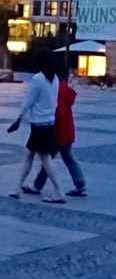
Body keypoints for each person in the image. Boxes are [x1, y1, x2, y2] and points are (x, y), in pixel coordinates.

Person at [8, 55, 69, 204]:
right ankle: (16, 188)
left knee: (45, 158)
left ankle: (60, 192)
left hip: (39, 124)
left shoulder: (38, 79)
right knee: (29, 154)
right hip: (48, 123)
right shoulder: (54, 78)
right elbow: (54, 102)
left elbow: (29, 100)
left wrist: (19, 118)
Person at [33, 60, 85, 197]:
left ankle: (36, 186)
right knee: (69, 157)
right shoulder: (66, 90)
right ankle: (80, 184)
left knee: (47, 158)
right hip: (68, 130)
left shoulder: (55, 90)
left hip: (58, 131)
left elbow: (57, 112)